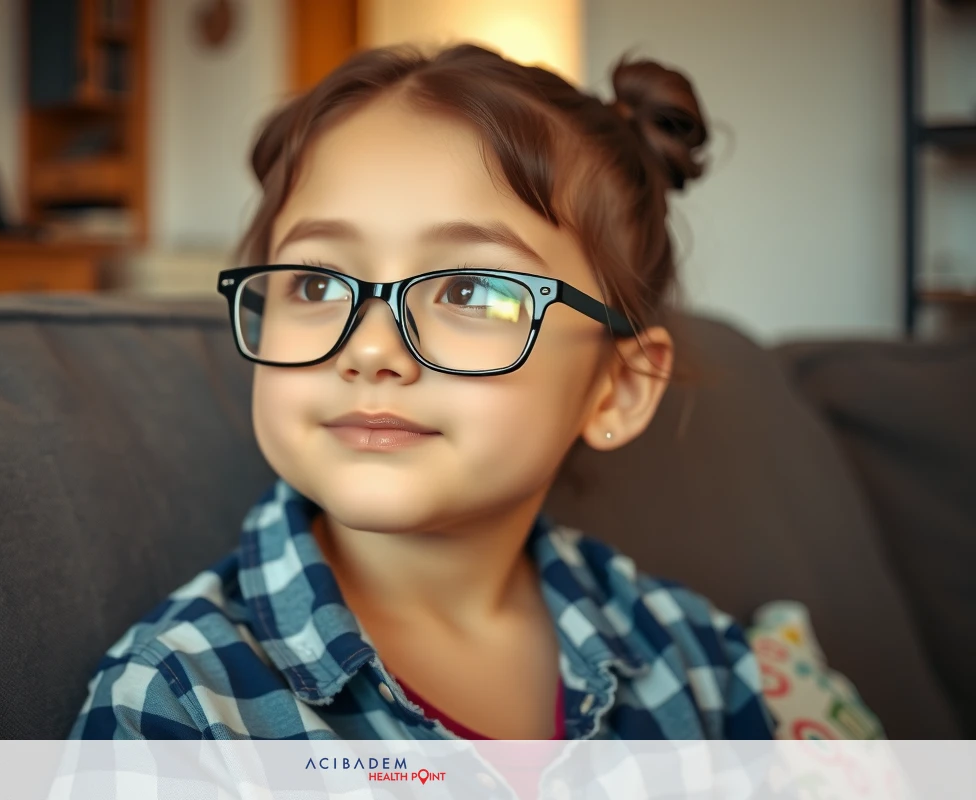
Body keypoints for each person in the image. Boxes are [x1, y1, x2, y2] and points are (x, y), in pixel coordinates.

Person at [69, 43, 774, 745]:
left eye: (470, 290)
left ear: (617, 388)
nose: (371, 349)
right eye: (314, 283)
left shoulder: (699, 666)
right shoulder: (178, 702)